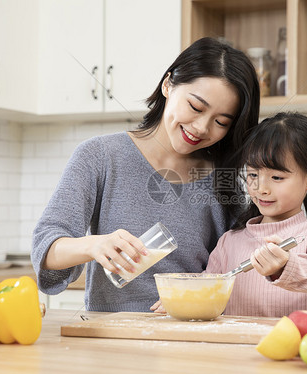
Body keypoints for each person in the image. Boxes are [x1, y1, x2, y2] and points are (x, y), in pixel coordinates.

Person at [31, 37, 260, 312]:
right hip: (112, 338)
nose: (201, 127)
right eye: (196, 107)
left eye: (221, 122)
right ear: (168, 85)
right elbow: (46, 249)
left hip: (191, 336)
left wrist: (199, 290)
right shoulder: (100, 156)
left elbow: (236, 269)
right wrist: (94, 245)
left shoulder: (223, 179)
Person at [153, 111, 307, 317]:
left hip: (296, 349)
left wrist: (288, 266)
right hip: (235, 349)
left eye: (277, 177)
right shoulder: (229, 242)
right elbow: (209, 290)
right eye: (252, 175)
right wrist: (184, 298)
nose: (261, 188)